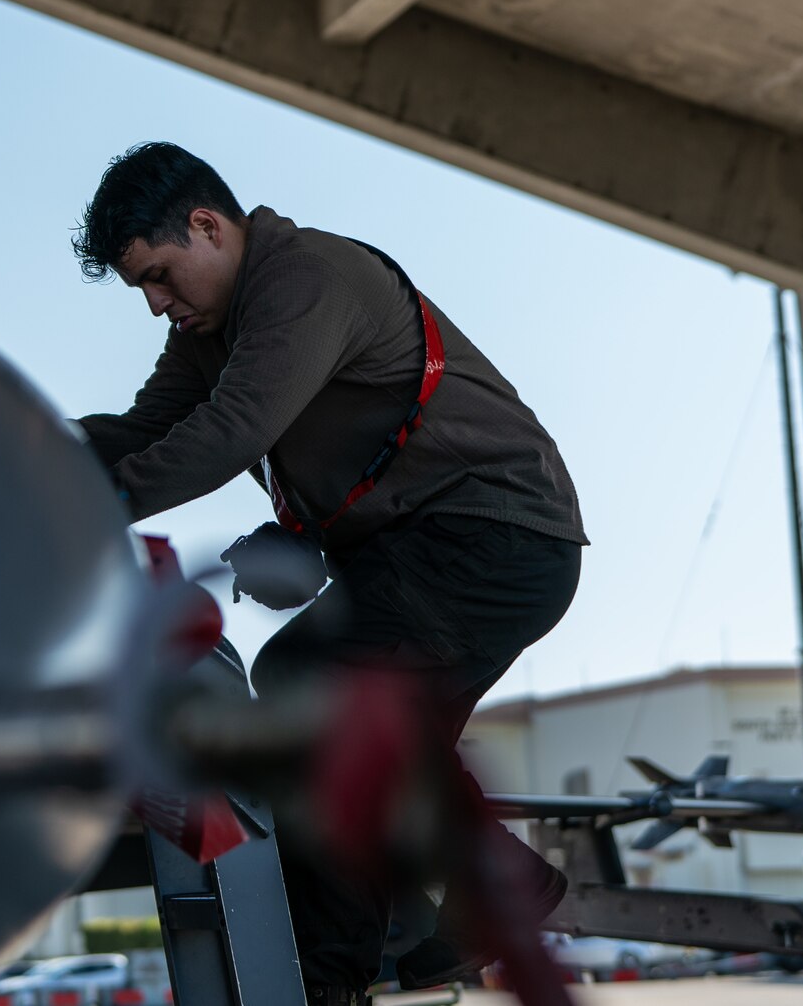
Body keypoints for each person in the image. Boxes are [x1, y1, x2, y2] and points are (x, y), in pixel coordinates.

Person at [72, 142, 585, 1006]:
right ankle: (463, 903)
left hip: (495, 535)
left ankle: (328, 975)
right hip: (426, 554)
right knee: (372, 749)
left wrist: (98, 503)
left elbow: (231, 431)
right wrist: (27, 452)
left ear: (208, 226)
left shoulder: (302, 280)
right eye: (143, 291)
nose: (158, 304)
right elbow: (144, 432)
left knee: (305, 681)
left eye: (161, 276)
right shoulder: (208, 333)